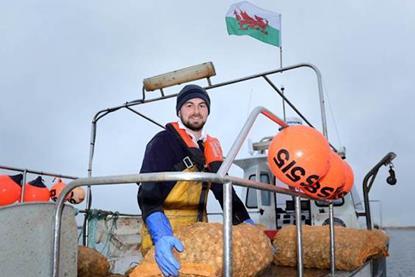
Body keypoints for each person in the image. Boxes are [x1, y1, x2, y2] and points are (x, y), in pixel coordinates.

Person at [137, 84, 254, 276]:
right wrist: (161, 235)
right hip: (165, 239)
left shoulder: (209, 148)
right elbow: (147, 190)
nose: (196, 112)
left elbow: (223, 192)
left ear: (208, 111)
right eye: (189, 105)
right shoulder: (163, 142)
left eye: (202, 106)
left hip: (197, 238)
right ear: (179, 111)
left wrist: (243, 220)